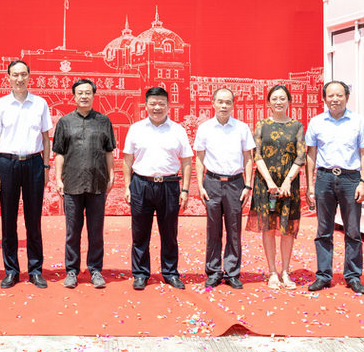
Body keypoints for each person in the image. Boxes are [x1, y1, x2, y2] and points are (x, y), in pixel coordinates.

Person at [0, 60, 53, 289]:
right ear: (8, 78)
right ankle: (11, 271)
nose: (19, 79)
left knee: (34, 220)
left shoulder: (40, 104)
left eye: (23, 74)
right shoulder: (0, 105)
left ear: (29, 76)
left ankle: (35, 270)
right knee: (8, 220)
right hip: (7, 163)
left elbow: (46, 139)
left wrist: (46, 167)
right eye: (15, 75)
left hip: (34, 163)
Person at [123, 86, 193, 291]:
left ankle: (170, 273)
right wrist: (127, 187)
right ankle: (140, 273)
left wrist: (185, 190)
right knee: (140, 233)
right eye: (153, 103)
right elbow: (127, 160)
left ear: (168, 106)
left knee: (169, 233)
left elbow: (186, 161)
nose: (157, 107)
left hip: (169, 186)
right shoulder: (136, 128)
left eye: (161, 104)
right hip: (141, 184)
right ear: (146, 105)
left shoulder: (178, 130)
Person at [305, 80, 364, 295]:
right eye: (330, 96)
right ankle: (323, 275)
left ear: (347, 97)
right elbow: (311, 155)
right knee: (323, 230)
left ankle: (353, 276)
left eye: (339, 95)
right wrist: (310, 186)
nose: (335, 99)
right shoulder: (316, 122)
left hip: (350, 179)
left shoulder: (358, 121)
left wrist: (363, 182)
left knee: (353, 231)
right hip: (324, 178)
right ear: (324, 99)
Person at [52, 79, 117, 289]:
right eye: (80, 93)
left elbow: (108, 151)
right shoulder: (65, 122)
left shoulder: (103, 121)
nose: (84, 96)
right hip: (72, 183)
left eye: (88, 92)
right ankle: (71, 270)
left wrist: (112, 174)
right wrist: (58, 178)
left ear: (94, 95)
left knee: (96, 231)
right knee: (73, 231)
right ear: (74, 96)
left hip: (97, 183)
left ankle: (95, 270)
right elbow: (59, 153)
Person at [193, 88, 255, 289]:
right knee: (213, 229)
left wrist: (248, 184)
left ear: (233, 105)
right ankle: (213, 271)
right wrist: (200, 185)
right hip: (211, 182)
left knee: (234, 229)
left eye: (228, 102)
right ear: (213, 103)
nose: (224, 106)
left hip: (235, 184)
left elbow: (248, 158)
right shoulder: (204, 128)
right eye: (220, 101)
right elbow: (199, 158)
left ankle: (232, 272)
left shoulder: (241, 128)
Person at [248, 84, 306, 290]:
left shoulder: (297, 126)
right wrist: (270, 182)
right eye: (274, 98)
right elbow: (257, 155)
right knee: (269, 227)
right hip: (266, 184)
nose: (279, 102)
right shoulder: (262, 125)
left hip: (289, 183)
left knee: (287, 229)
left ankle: (286, 272)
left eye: (282, 98)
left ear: (289, 101)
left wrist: (288, 180)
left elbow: (301, 156)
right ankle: (272, 271)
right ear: (269, 102)